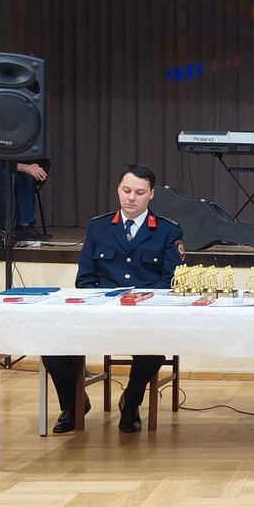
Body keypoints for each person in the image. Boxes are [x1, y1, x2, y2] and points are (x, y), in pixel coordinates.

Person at [43, 163, 186, 434]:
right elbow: (85, 280)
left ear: (151, 195)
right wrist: (103, 304)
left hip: (145, 314)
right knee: (53, 350)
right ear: (118, 190)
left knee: (152, 351)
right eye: (126, 190)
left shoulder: (168, 231)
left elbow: (170, 281)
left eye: (139, 192)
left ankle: (130, 403)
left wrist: (141, 302)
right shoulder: (98, 227)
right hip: (102, 313)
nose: (131, 198)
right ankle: (74, 404)